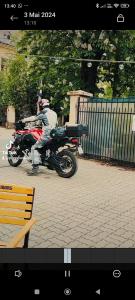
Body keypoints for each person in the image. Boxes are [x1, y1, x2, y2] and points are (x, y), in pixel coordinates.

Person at [22, 99, 58, 175]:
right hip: (54, 134)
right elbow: (54, 123)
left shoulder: (43, 113)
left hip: (47, 134)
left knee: (34, 148)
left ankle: (35, 168)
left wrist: (23, 120)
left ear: (42, 106)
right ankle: (48, 162)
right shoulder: (54, 113)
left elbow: (34, 118)